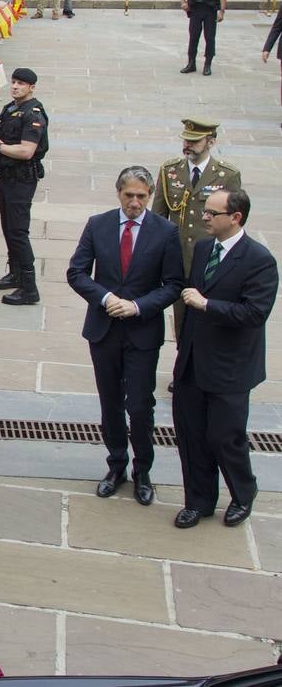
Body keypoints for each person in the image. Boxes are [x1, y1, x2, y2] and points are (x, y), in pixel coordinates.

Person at [66, 167, 183, 507]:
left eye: (141, 197)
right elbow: (76, 271)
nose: (134, 202)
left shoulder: (165, 232)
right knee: (111, 402)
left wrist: (137, 306)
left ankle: (143, 471)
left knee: (141, 405)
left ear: (150, 197)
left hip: (142, 332)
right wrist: (105, 298)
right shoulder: (98, 224)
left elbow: (174, 284)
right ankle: (116, 465)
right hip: (104, 330)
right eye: (129, 195)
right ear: (119, 193)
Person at [171, 188, 278, 530]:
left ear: (235, 218)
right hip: (193, 363)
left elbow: (254, 312)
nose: (204, 217)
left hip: (230, 369)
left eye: (212, 213)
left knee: (223, 437)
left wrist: (207, 304)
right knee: (191, 435)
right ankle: (198, 502)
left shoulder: (259, 260)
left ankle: (243, 492)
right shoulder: (203, 249)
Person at [151, 118, 243, 337]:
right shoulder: (170, 171)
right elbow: (158, 218)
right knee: (181, 322)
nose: (188, 145)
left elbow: (234, 222)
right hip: (179, 260)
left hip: (212, 261)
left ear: (210, 142)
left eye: (194, 141)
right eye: (186, 140)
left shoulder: (227, 175)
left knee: (210, 320)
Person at [0, 67, 48, 306]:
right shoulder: (12, 108)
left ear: (31, 87)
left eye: (21, 83)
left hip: (22, 178)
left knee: (18, 231)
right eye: (14, 82)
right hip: (8, 176)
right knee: (8, 226)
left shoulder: (33, 114)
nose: (15, 86)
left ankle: (29, 286)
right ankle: (15, 272)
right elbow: (1, 132)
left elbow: (26, 150)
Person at [178, 0, 227, 77]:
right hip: (195, 8)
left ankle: (207, 64)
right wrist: (183, 2)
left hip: (210, 9)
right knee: (193, 36)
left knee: (209, 37)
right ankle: (191, 63)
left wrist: (222, 11)